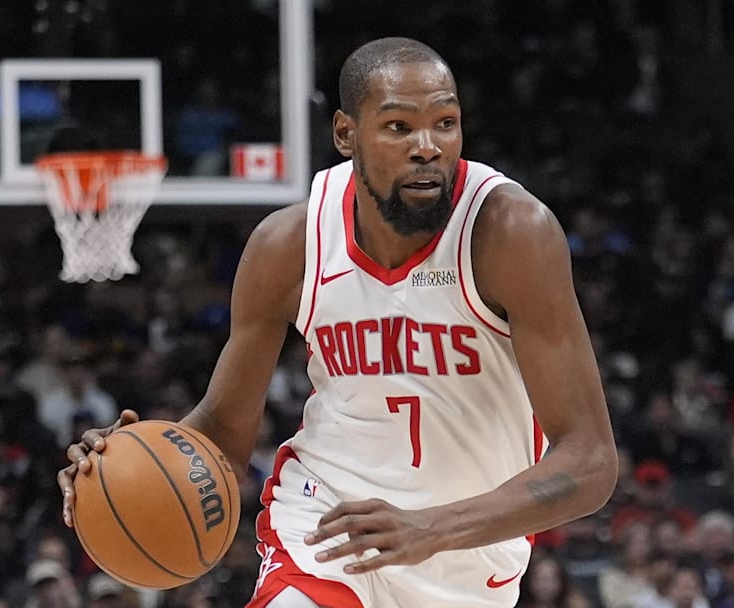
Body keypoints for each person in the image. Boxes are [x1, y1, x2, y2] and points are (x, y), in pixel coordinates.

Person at [58, 37, 618, 608]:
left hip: (466, 560)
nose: (428, 147)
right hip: (324, 528)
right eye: (399, 127)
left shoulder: (510, 233)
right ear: (346, 134)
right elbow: (223, 432)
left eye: (445, 123)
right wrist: (125, 467)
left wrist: (430, 527)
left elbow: (591, 462)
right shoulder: (289, 246)